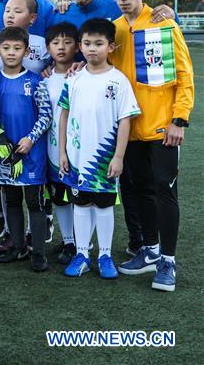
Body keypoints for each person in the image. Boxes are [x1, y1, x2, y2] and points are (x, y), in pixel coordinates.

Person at [106, 0, 194, 292]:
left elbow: (184, 75)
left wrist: (179, 119)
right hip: (129, 128)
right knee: (139, 188)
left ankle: (168, 261)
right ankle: (150, 250)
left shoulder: (164, 24)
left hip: (162, 128)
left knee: (163, 189)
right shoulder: (113, 30)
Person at [58, 19, 140, 279]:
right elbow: (64, 116)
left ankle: (105, 255)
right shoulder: (73, 79)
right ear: (80, 46)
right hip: (77, 157)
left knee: (104, 205)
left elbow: (125, 120)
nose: (92, 48)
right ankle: (82, 254)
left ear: (110, 47)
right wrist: (62, 152)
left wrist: (118, 157)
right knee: (81, 203)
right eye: (87, 43)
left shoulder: (118, 81)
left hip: (104, 159)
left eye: (98, 43)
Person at [0, 26, 52, 271]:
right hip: (5, 155)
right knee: (12, 201)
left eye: (17, 48)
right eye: (6, 48)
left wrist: (30, 139)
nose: (11, 53)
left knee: (34, 203)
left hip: (32, 154)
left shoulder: (36, 81)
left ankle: (38, 253)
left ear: (26, 51)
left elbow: (46, 116)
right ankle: (18, 247)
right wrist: (0, 139)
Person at [43, 22, 81, 265]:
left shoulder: (83, 75)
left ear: (77, 47)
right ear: (48, 48)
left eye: (67, 42)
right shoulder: (44, 79)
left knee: (81, 197)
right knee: (59, 196)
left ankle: (82, 242)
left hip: (78, 147)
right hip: (53, 147)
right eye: (55, 43)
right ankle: (69, 241)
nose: (61, 47)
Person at [0, 0, 49, 76]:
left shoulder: (43, 44)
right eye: (7, 11)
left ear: (32, 18)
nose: (10, 15)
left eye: (17, 11)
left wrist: (52, 67)